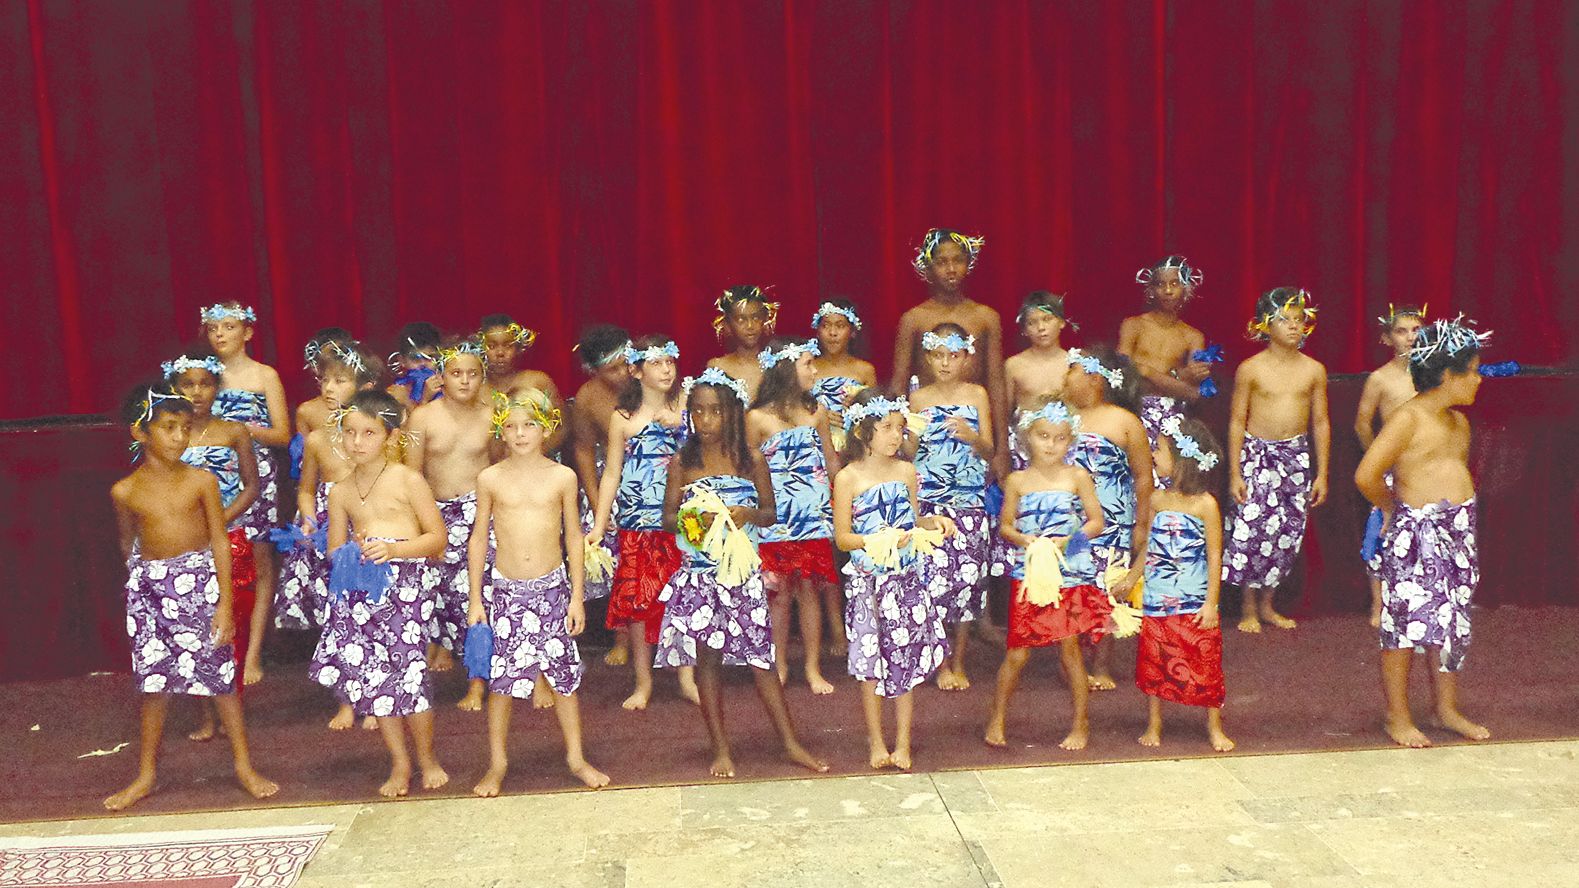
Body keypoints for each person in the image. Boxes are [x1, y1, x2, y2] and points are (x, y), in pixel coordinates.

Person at [105, 384, 277, 811]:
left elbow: (219, 539)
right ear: (140, 432)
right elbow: (127, 544)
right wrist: (145, 590)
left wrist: (224, 603)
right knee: (154, 685)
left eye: (184, 428)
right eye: (169, 428)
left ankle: (244, 766)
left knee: (221, 681)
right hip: (151, 593)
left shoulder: (202, 480)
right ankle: (146, 774)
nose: (180, 437)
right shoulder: (124, 491)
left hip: (200, 587)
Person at [655, 369, 830, 778]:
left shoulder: (751, 460)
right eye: (698, 411)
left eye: (715, 411)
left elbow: (770, 514)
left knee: (761, 659)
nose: (705, 420)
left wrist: (748, 513)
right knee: (708, 661)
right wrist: (693, 520)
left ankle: (790, 743)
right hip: (701, 577)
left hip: (742, 576)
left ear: (733, 413)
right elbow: (666, 519)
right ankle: (720, 748)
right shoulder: (684, 462)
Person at [1355, 316, 1492, 748]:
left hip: (1457, 534)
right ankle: (1397, 715)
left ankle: (1445, 708)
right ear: (1448, 375)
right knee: (1404, 627)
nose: (1479, 378)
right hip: (1415, 535)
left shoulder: (1459, 423)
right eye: (1472, 371)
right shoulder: (1407, 419)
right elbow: (1367, 474)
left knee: (1452, 622)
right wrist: (1392, 508)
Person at [469, 388, 610, 794]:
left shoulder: (562, 477)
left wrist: (577, 596)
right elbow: (479, 538)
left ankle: (576, 757)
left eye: (529, 425)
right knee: (501, 682)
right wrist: (477, 598)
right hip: (506, 592)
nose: (520, 434)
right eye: (511, 426)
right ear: (501, 431)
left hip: (552, 590)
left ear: (546, 428)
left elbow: (573, 537)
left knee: (563, 678)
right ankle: (497, 762)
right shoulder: (490, 478)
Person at [310, 390, 449, 797]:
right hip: (363, 594)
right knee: (377, 680)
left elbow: (437, 539)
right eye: (350, 432)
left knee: (410, 675)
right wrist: (351, 553)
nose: (357, 442)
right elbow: (333, 549)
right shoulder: (340, 490)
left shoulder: (408, 479)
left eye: (369, 433)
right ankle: (400, 762)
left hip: (406, 589)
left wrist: (394, 550)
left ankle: (427, 759)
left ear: (391, 436)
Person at [834, 389, 955, 770]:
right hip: (869, 583)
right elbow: (843, 538)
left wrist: (933, 522)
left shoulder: (906, 472)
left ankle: (903, 743)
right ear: (861, 431)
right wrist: (878, 540)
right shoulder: (847, 478)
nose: (895, 435)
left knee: (906, 658)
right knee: (871, 663)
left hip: (905, 580)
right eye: (886, 427)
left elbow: (913, 520)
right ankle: (876, 740)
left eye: (900, 427)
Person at [984, 400, 1105, 751]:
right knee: (1017, 653)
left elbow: (1096, 522)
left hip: (1068, 574)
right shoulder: (1017, 480)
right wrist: (1025, 539)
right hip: (1032, 574)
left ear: (1071, 441)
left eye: (1060, 438)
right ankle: (996, 717)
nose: (1051, 445)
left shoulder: (1077, 477)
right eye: (1043, 436)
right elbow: (1005, 526)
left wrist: (1069, 541)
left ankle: (1080, 723)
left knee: (1070, 652)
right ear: (1027, 437)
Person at [588, 336, 697, 709]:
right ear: (636, 371)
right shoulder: (623, 418)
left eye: (670, 361)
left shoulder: (689, 407)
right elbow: (611, 473)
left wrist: (683, 423)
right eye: (656, 363)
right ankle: (643, 681)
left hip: (682, 520)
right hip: (637, 521)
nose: (666, 369)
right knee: (638, 602)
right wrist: (600, 523)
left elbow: (706, 452)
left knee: (683, 596)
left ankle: (687, 677)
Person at [163, 353, 261, 743]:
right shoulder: (169, 436)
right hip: (185, 541)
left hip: (230, 536)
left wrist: (219, 521)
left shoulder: (234, 431)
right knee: (196, 628)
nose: (197, 392)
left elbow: (251, 486)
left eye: (205, 383)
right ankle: (205, 713)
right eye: (188, 384)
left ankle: (233, 706)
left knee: (231, 622)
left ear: (217, 387)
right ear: (175, 389)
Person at [1223, 288, 1331, 633]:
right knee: (1251, 529)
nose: (1294, 326)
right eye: (1285, 320)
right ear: (1265, 325)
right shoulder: (1250, 369)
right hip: (1256, 454)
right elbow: (1237, 420)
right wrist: (1235, 472)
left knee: (1286, 530)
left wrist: (1322, 473)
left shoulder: (1314, 370)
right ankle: (1247, 607)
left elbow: (1320, 422)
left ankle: (1268, 604)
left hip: (1294, 457)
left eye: (1299, 320)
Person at [1132, 416, 1234, 752]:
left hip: (1193, 598)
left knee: (1204, 660)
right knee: (1155, 659)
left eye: (1160, 449)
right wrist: (1131, 578)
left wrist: (1211, 603)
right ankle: (1154, 722)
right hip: (1158, 596)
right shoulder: (1157, 499)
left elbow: (1215, 556)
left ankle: (1214, 725)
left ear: (1181, 459)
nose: (1153, 454)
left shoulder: (1206, 505)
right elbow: (1149, 546)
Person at [202, 302, 291, 685]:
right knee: (215, 557)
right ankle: (219, 646)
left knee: (258, 562)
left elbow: (283, 434)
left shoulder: (264, 375)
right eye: (213, 328)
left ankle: (252, 654)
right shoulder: (202, 375)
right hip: (212, 475)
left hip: (256, 474)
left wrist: (241, 430)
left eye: (229, 326)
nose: (220, 334)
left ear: (248, 332)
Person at [404, 337, 497, 699]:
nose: (465, 380)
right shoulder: (422, 417)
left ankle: (477, 681)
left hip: (480, 514)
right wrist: (420, 526)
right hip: (435, 514)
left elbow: (499, 468)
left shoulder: (493, 414)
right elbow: (412, 476)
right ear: (441, 376)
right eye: (456, 373)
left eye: (473, 374)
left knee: (481, 594)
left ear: (482, 377)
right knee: (437, 595)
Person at [748, 337, 841, 694]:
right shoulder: (757, 417)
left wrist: (845, 501)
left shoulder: (816, 411)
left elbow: (830, 460)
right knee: (779, 593)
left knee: (809, 590)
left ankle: (813, 667)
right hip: (775, 517)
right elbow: (747, 468)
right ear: (787, 369)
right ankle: (780, 663)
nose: (815, 370)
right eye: (808, 364)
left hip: (812, 515)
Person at [909, 324, 995, 690]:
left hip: (969, 501)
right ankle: (939, 662)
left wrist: (972, 436)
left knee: (965, 584)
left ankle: (958, 661)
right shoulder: (918, 398)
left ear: (966, 358)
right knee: (932, 582)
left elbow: (990, 450)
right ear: (928, 357)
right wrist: (911, 433)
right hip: (931, 501)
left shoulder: (977, 394)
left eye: (953, 355)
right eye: (938, 355)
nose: (945, 363)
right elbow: (908, 453)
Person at [1063, 347, 1153, 690]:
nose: (1065, 376)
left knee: (1108, 591)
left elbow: (1143, 477)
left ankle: (1101, 665)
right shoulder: (1062, 417)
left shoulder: (1124, 421)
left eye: (1071, 369)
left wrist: (1142, 524)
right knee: (1071, 588)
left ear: (1094, 378)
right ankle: (1071, 663)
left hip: (1114, 521)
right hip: (1070, 520)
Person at [807, 299, 877, 649]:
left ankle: (862, 619)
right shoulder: (810, 367)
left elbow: (876, 413)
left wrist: (854, 413)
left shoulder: (864, 369)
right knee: (828, 545)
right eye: (826, 325)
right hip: (818, 459)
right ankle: (834, 627)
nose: (833, 332)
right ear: (817, 330)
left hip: (855, 456)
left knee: (855, 539)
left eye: (840, 325)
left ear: (853, 330)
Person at [1353, 304, 1426, 626]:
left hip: (1424, 463)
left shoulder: (1433, 374)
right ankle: (1378, 603)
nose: (1410, 337)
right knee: (1383, 528)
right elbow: (1362, 423)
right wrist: (1378, 458)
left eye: (1416, 330)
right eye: (1401, 331)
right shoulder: (1380, 379)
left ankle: (1418, 598)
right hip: (1392, 466)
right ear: (1386, 338)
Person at [567, 325, 633, 663]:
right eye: (612, 369)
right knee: (621, 562)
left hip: (655, 476)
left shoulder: (649, 382)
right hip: (612, 480)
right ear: (593, 370)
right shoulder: (587, 397)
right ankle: (622, 637)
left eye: (626, 364)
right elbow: (583, 449)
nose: (623, 373)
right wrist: (596, 504)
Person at [1118, 256, 1212, 453]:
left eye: (1174, 284)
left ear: (1186, 288)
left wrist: (1147, 372)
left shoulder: (1193, 337)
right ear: (1151, 290)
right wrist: (1177, 378)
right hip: (1133, 408)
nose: (1168, 291)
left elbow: (1193, 394)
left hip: (1171, 419)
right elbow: (1121, 376)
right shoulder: (1134, 325)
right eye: (1161, 284)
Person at [707, 286, 777, 399]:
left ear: (765, 320)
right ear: (727, 325)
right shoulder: (718, 366)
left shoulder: (777, 365)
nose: (750, 326)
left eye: (756, 318)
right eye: (741, 320)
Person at [387, 321, 445, 412]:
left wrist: (422, 400)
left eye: (430, 357)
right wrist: (423, 399)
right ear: (402, 360)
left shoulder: (449, 388)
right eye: (415, 358)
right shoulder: (397, 393)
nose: (423, 364)